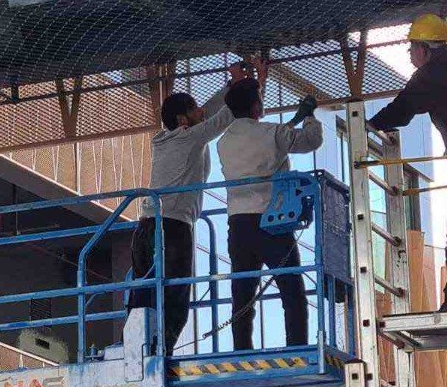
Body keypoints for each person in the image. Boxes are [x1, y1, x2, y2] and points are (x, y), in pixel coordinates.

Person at [127, 60, 250, 355]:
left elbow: (211, 111)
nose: (201, 113)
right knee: (176, 297)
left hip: (145, 227)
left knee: (144, 296)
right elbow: (225, 116)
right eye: (195, 110)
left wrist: (231, 85)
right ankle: (162, 353)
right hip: (173, 227)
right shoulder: (191, 137)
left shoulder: (165, 139)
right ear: (183, 119)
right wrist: (243, 85)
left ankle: (136, 350)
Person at [369, 13, 447, 311]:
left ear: (424, 49)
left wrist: (367, 127)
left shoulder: (431, 75)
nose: (410, 55)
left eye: (412, 48)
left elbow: (401, 110)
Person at [217, 75, 320, 350]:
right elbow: (311, 140)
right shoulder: (272, 132)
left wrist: (290, 124)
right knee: (291, 287)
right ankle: (296, 346)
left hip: (239, 223)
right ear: (256, 106)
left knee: (243, 291)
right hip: (272, 220)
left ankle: (241, 349)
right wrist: (309, 117)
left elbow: (265, 142)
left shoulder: (223, 142)